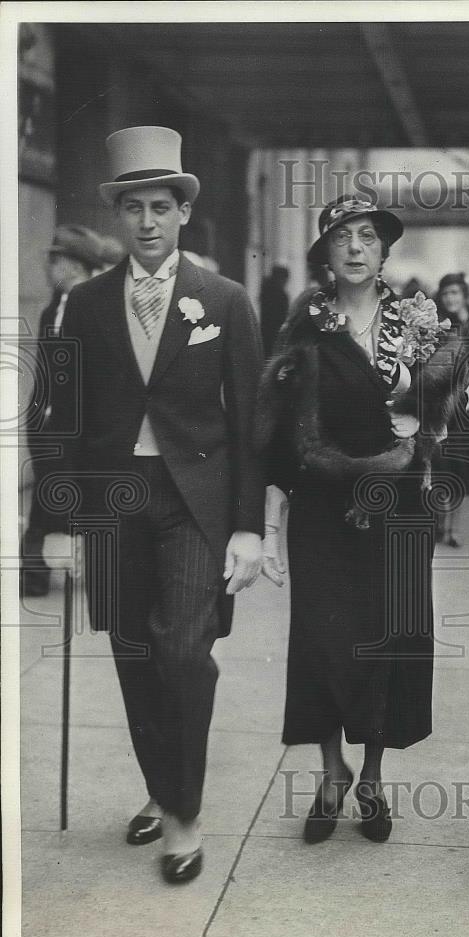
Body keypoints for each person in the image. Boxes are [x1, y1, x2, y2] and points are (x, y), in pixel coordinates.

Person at [59, 126, 265, 884]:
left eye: (161, 206)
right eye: (134, 208)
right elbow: (61, 418)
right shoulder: (81, 303)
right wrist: (57, 524)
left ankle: (184, 814)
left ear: (183, 213)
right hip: (114, 503)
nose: (147, 221)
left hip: (194, 503)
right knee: (135, 657)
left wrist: (249, 526)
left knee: (183, 652)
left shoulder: (224, 300)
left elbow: (251, 423)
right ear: (120, 217)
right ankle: (160, 785)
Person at [257, 195, 457, 844]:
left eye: (366, 236)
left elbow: (440, 413)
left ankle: (370, 777)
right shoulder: (305, 323)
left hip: (396, 507)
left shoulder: (416, 321)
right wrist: (270, 511)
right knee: (321, 640)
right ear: (325, 250)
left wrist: (428, 437)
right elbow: (278, 421)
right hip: (322, 504)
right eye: (341, 236)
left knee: (388, 640)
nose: (354, 247)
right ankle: (332, 770)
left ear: (383, 250)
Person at [20, 225, 103, 598]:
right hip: (51, 427)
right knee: (47, 499)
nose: (50, 267)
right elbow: (45, 370)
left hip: (85, 428)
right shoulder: (53, 308)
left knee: (82, 499)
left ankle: (83, 571)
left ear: (72, 264)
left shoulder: (100, 306)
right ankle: (35, 576)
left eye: (55, 260)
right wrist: (36, 419)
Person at [433, 272, 469, 545]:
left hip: (468, 407)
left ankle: (453, 529)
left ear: (463, 295)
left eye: (455, 293)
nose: (450, 298)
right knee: (439, 465)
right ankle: (438, 524)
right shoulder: (437, 327)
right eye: (446, 293)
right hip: (441, 402)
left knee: (460, 466)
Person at [259, 263, 290, 357]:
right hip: (276, 331)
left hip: (266, 330)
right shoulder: (280, 295)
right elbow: (282, 315)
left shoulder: (266, 291)